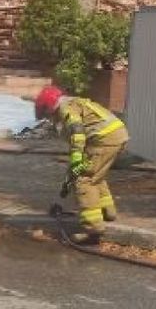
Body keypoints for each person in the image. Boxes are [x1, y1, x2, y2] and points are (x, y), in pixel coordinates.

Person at [35, 85, 129, 244]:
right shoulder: (74, 103)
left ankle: (93, 231)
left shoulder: (66, 108)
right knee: (95, 175)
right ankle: (107, 212)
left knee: (84, 180)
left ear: (49, 106)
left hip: (103, 139)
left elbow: (77, 132)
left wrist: (77, 160)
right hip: (115, 135)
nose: (48, 118)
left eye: (46, 114)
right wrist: (71, 171)